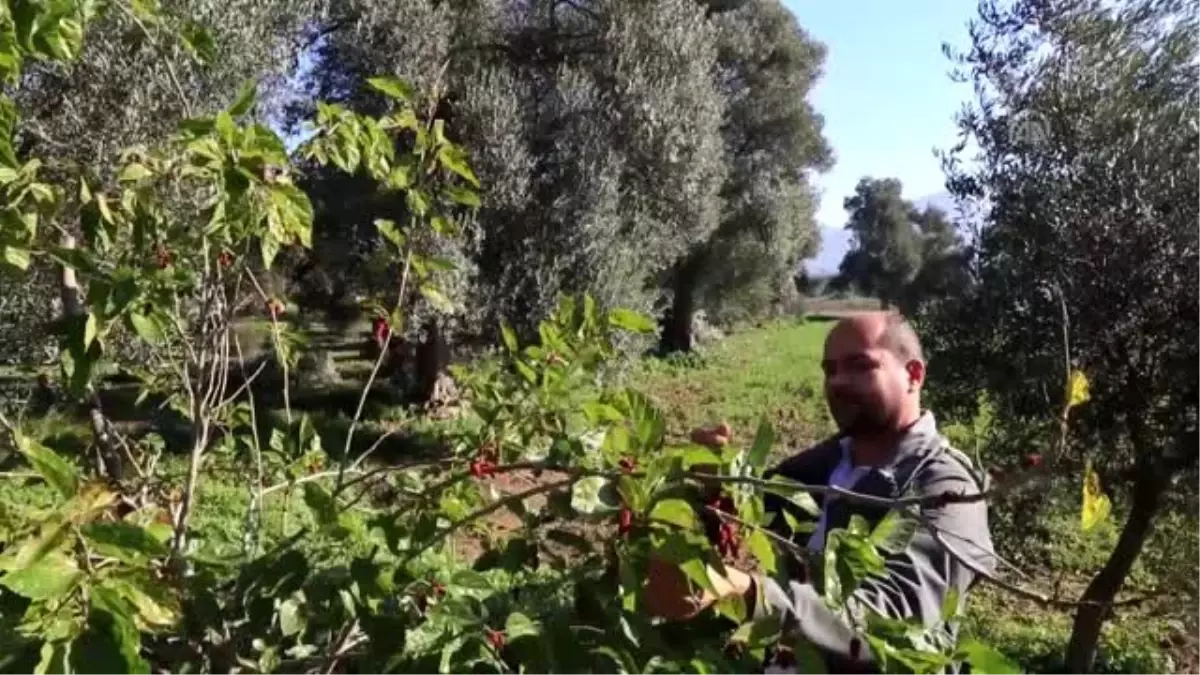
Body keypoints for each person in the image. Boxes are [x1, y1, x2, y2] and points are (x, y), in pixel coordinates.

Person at [644, 312, 997, 673]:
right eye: (830, 370)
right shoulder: (820, 465)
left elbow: (893, 622)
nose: (839, 382)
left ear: (913, 375)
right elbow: (743, 526)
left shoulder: (946, 488)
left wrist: (752, 595)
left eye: (860, 366)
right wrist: (712, 490)